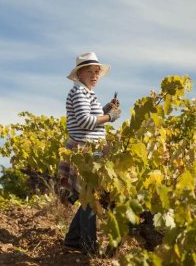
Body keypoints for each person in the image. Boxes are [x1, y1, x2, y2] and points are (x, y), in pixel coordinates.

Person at [60, 52, 121, 254]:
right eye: (90, 71)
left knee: (88, 197)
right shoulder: (78, 92)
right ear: (80, 74)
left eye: (97, 72)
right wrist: (110, 117)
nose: (95, 75)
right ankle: (88, 245)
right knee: (90, 198)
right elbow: (86, 122)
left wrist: (105, 110)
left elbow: (87, 118)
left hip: (89, 152)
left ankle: (73, 239)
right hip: (84, 151)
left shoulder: (85, 93)